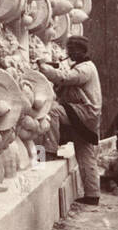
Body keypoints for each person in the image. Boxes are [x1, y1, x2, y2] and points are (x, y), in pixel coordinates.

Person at [41, 35, 102, 205]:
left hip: (84, 112)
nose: (69, 53)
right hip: (86, 114)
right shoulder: (83, 66)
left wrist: (43, 68)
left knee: (52, 111)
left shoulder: (85, 69)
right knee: (85, 154)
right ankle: (92, 195)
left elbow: (65, 78)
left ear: (81, 51)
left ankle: (49, 151)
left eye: (72, 50)